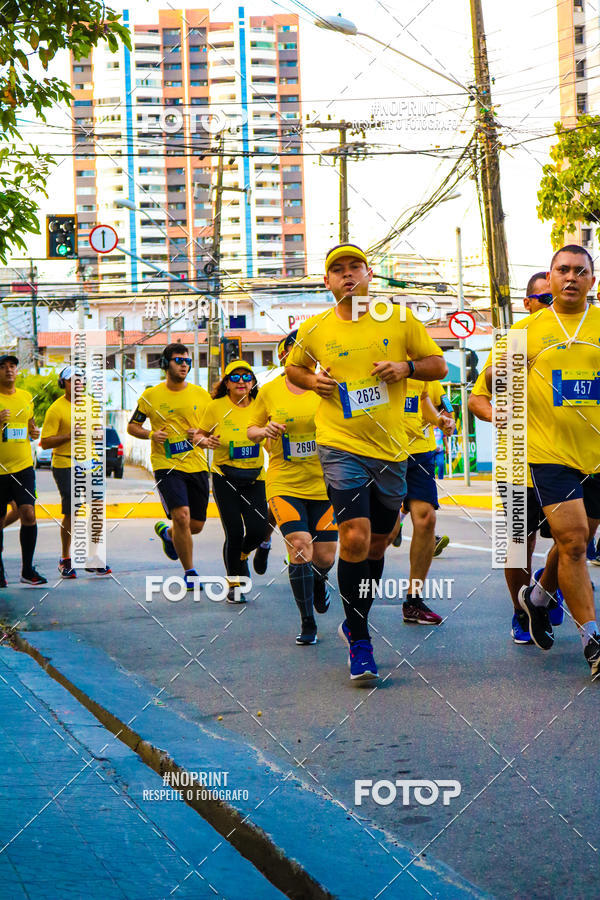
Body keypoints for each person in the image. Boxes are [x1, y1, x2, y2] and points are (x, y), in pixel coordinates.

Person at [286, 243, 447, 681]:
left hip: (393, 450)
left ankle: (353, 620)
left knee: (376, 545)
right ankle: (360, 638)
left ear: (369, 273)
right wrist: (311, 379)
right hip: (339, 443)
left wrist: (406, 367)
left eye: (354, 266)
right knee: (353, 537)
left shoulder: (397, 318)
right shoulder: (315, 327)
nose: (347, 275)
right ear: (327, 282)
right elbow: (293, 370)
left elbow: (439, 364)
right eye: (337, 270)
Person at [487, 246, 600, 678]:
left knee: (580, 539)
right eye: (562, 270)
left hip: (596, 456)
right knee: (571, 541)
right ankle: (592, 639)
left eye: (580, 271)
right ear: (549, 279)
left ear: (592, 279)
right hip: (546, 453)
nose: (571, 277)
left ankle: (538, 598)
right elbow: (495, 390)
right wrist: (499, 403)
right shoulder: (521, 333)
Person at [469, 272, 562, 644]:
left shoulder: (581, 336)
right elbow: (479, 396)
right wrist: (496, 414)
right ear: (527, 303)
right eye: (545, 299)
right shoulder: (515, 340)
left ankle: (541, 593)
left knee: (574, 538)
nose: (553, 305)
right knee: (519, 545)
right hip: (519, 464)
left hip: (568, 461)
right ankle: (520, 612)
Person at [248, 330, 338, 645]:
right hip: (284, 481)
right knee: (300, 545)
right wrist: (264, 429)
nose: (302, 356)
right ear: (285, 357)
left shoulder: (326, 387)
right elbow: (251, 428)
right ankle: (307, 623)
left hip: (324, 483)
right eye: (295, 350)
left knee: (324, 557)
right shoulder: (269, 391)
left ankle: (318, 582)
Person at [127, 343, 212, 590]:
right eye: (178, 360)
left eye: (188, 360)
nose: (184, 364)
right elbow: (132, 426)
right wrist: (150, 435)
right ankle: (190, 572)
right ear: (166, 364)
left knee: (194, 526)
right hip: (166, 465)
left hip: (196, 464)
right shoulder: (150, 396)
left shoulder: (200, 394)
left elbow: (213, 427)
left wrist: (200, 433)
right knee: (182, 516)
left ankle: (167, 534)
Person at [197, 360, 268, 604]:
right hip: (224, 476)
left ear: (252, 382)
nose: (241, 382)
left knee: (259, 530)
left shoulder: (261, 405)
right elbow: (199, 434)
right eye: (235, 377)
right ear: (226, 383)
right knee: (234, 531)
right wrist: (204, 442)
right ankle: (234, 583)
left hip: (255, 476)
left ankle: (243, 556)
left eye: (246, 377)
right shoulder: (216, 407)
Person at [389, 379, 455, 624]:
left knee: (427, 518)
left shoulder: (428, 373)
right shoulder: (381, 359)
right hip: (384, 452)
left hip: (420, 452)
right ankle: (358, 596)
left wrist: (445, 421)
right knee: (383, 533)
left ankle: (413, 601)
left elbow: (444, 408)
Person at [41, 365, 111, 578]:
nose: (78, 384)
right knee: (72, 510)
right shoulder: (56, 409)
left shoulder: (91, 404)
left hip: (91, 462)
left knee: (97, 507)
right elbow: (44, 442)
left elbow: (96, 429)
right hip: (65, 463)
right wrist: (69, 435)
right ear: (64, 384)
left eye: (81, 380)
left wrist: (98, 433)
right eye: (72, 380)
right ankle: (65, 558)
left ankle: (93, 557)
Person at [0, 354, 47, 586]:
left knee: (28, 512)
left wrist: (34, 432)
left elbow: (30, 426)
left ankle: (27, 570)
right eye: (3, 367)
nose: (9, 370)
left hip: (23, 467)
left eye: (12, 366)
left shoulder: (27, 397)